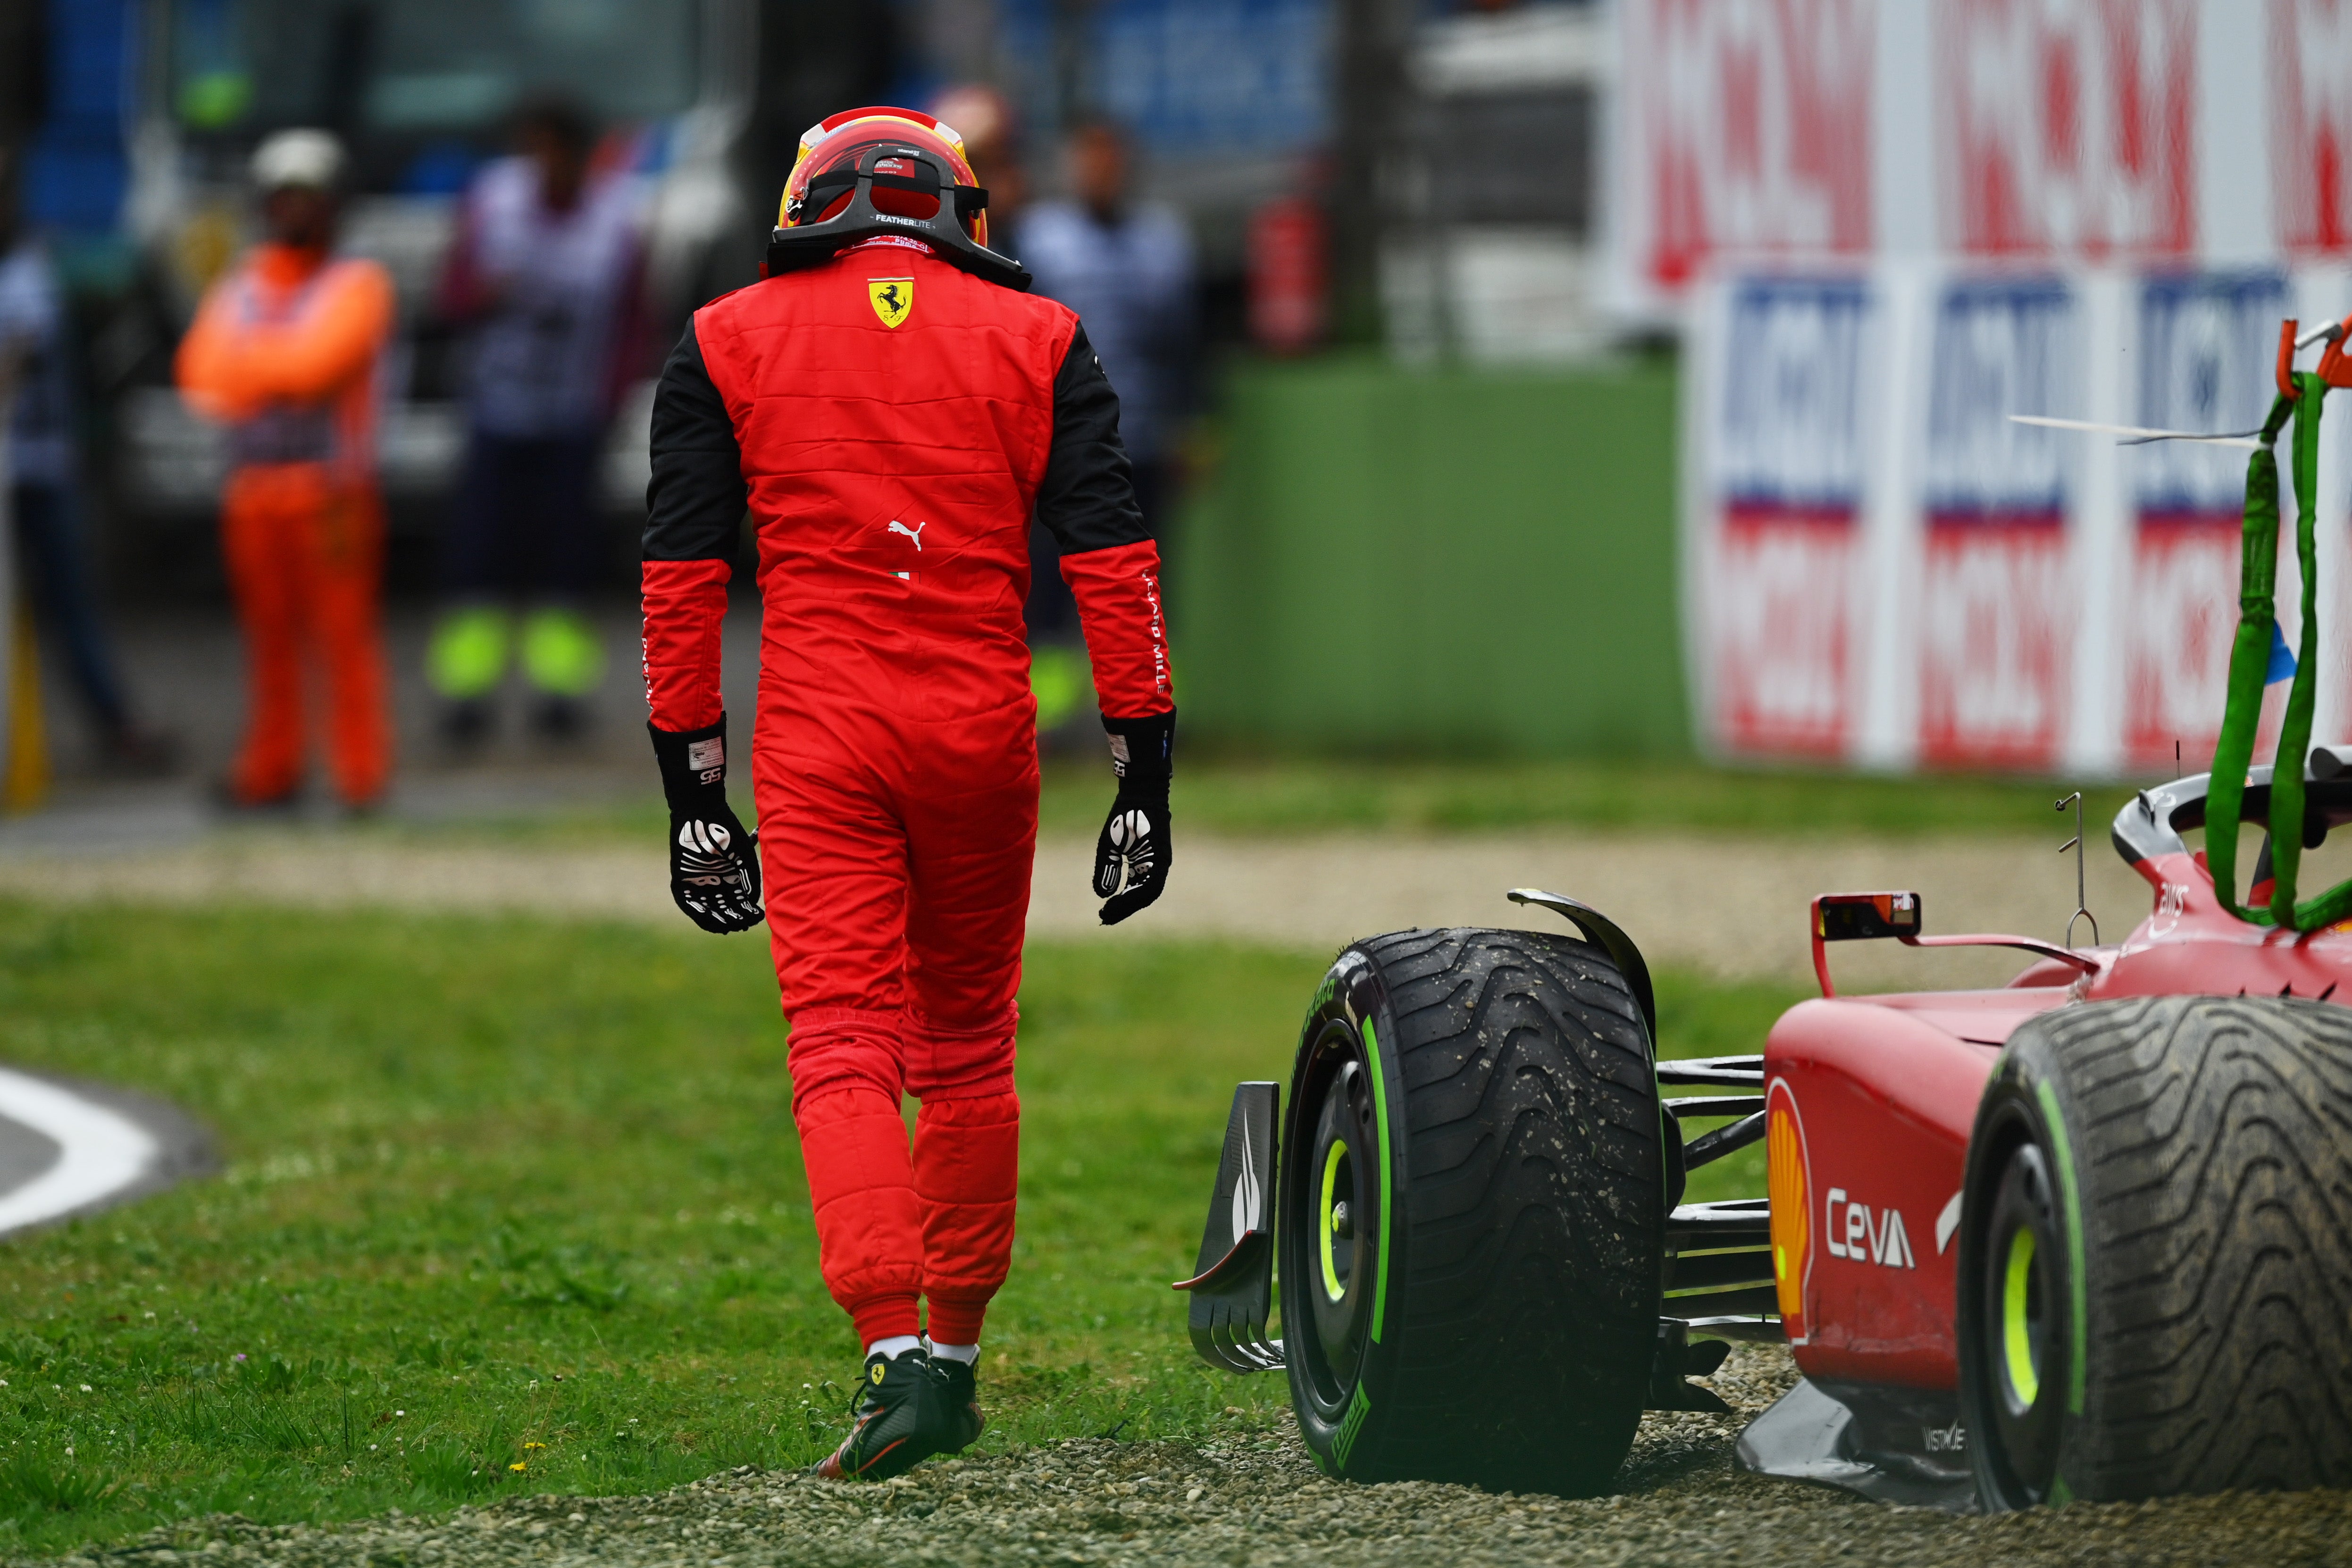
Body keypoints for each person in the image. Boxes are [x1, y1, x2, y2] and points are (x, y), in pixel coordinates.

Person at [640, 106, 1174, 1482]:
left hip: (819, 734)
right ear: (958, 209)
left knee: (842, 1046)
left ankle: (887, 1352)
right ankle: (950, 1351)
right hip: (979, 732)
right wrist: (1142, 774)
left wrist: (690, 790)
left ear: (805, 201)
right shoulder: (1039, 336)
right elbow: (1111, 563)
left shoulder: (724, 337)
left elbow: (682, 582)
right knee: (969, 1049)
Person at [176, 129, 394, 811]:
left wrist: (255, 368)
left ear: (334, 204)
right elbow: (200, 377)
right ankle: (271, 770)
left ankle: (359, 777)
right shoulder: (240, 285)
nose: (294, 210)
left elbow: (319, 367)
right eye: (283, 197)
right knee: (267, 644)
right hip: (253, 493)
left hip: (331, 493)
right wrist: (278, 368)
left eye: (308, 197)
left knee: (343, 640)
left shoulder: (359, 284)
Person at [428, 93, 647, 744]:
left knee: (567, 563)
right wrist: (482, 296)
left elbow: (636, 319)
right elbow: (450, 294)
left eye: (556, 150)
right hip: (497, 414)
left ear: (581, 156)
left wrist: (612, 401)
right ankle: (468, 695)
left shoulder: (615, 221)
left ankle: (560, 695)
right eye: (534, 149)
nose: (542, 164)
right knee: (479, 559)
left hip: (573, 419)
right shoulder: (493, 203)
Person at [1017, 116, 1194, 732]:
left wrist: (1194, 425)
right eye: (1089, 158)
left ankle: (1146, 714)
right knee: (1048, 584)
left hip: (1139, 440)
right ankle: (1046, 717)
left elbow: (1184, 344)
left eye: (1110, 158)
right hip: (1059, 444)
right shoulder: (1041, 238)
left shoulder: (1162, 242)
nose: (1101, 171)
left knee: (1140, 582)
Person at [0, 179, 174, 774]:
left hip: (39, 468)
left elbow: (16, 363)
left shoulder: (28, 272)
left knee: (70, 606)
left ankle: (116, 725)